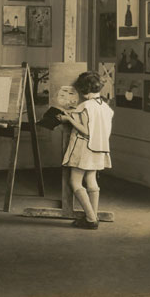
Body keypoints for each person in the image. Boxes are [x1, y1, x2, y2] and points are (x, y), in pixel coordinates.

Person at [56, 71, 114, 230]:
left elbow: (87, 131)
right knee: (91, 181)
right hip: (99, 148)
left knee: (75, 182)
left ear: (83, 90)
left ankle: (90, 218)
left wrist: (68, 119)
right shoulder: (106, 107)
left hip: (84, 147)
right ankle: (92, 216)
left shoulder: (86, 106)